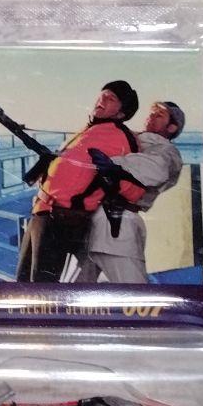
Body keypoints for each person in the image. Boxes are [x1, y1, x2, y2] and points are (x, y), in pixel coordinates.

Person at [15, 81, 147, 283]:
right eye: (102, 94)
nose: (102, 99)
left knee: (41, 289)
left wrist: (111, 178)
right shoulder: (89, 129)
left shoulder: (122, 138)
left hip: (61, 220)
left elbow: (135, 187)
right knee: (22, 284)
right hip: (42, 214)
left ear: (122, 113)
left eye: (111, 98)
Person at [76, 101, 186, 284]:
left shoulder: (167, 151)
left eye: (159, 115)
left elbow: (155, 170)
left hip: (117, 224)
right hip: (85, 220)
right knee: (71, 291)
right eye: (152, 112)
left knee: (135, 291)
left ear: (172, 127)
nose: (151, 116)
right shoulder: (127, 137)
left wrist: (107, 162)